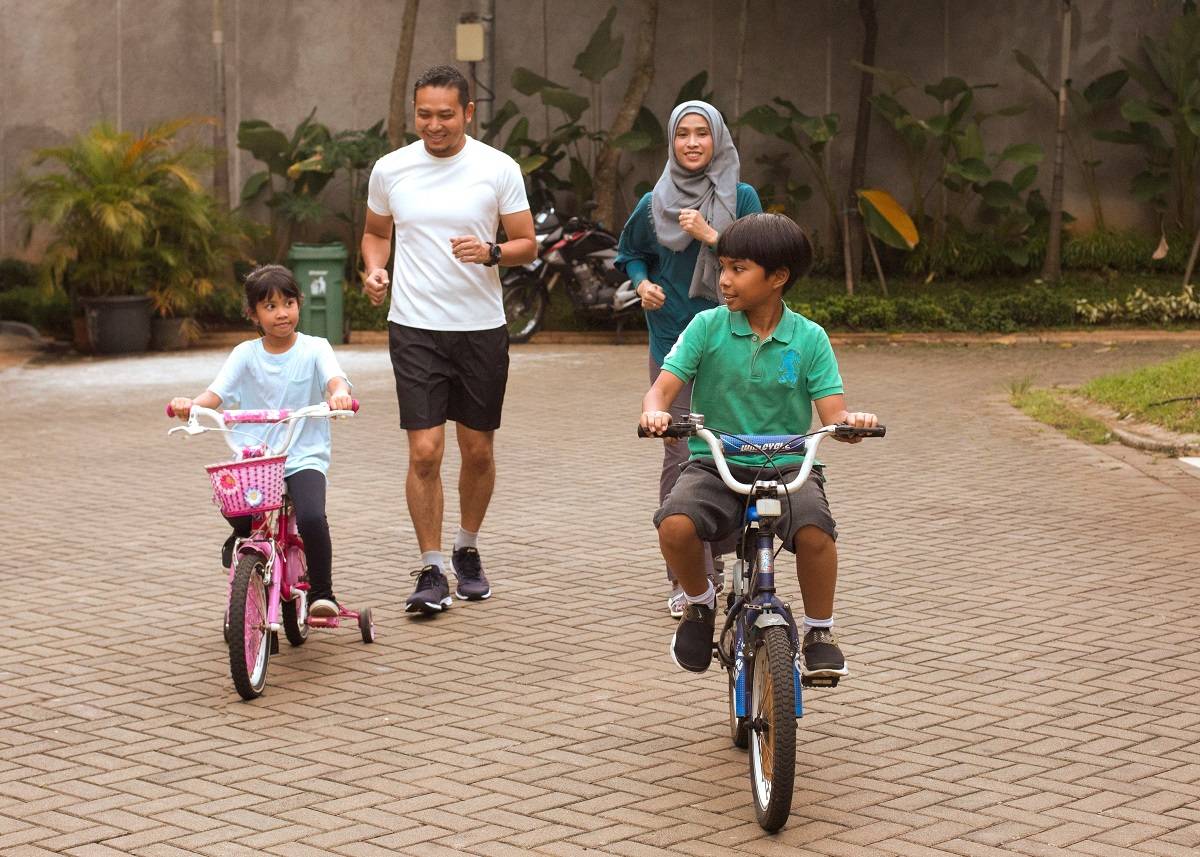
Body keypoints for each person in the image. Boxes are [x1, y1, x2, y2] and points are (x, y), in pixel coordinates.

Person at [639, 213, 879, 676]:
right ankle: (699, 603)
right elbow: (662, 389)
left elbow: (834, 418)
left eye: (738, 269)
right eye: (722, 267)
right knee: (674, 525)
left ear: (778, 277)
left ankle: (819, 631)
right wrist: (655, 411)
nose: (724, 280)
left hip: (788, 469)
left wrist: (854, 423)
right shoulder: (707, 327)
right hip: (716, 464)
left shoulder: (809, 338)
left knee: (816, 532)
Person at [361, 64, 536, 616]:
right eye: (423, 114)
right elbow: (374, 234)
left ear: (467, 112)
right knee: (424, 452)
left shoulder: (497, 168)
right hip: (414, 328)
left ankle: (467, 548)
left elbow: (527, 243)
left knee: (477, 450)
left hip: (481, 330)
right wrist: (373, 270)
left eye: (444, 115)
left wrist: (490, 253)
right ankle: (432, 565)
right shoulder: (391, 169)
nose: (433, 126)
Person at [615, 100, 762, 619]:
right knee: (680, 454)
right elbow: (630, 251)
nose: (693, 143)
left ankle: (730, 561)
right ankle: (685, 574)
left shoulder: (742, 196)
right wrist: (642, 284)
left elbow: (761, 258)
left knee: (730, 448)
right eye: (683, 134)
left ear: (718, 139)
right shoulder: (653, 200)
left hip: (732, 338)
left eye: (702, 133)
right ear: (672, 143)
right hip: (672, 337)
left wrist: (713, 237)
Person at [169, 265, 354, 618]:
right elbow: (215, 394)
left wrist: (339, 395)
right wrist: (190, 406)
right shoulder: (245, 354)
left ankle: (322, 592)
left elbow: (335, 381)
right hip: (257, 459)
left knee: (313, 518)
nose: (282, 313)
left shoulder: (315, 348)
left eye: (288, 302)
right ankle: (241, 537)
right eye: (270, 306)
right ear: (253, 314)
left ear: (299, 303)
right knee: (230, 499)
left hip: (303, 456)